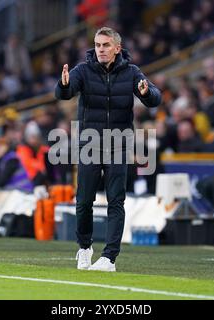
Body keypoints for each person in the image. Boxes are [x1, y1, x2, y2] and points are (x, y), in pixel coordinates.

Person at [55, 27, 161, 272]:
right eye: (97, 45)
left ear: (117, 48)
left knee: (116, 201)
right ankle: (84, 247)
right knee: (83, 201)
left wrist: (148, 94)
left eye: (105, 45)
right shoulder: (82, 70)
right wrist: (63, 85)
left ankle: (109, 258)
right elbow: (65, 93)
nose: (100, 49)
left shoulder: (132, 72)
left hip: (119, 143)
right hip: (90, 144)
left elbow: (155, 96)